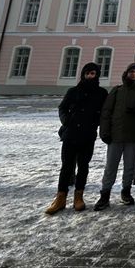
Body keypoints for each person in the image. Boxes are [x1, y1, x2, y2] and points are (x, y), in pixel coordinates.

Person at [45, 62, 108, 215]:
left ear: (97, 75)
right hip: (70, 134)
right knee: (66, 167)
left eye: (93, 73)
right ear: (83, 74)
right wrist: (66, 121)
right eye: (87, 73)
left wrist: (95, 122)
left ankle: (78, 197)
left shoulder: (101, 93)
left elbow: (105, 112)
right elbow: (62, 108)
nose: (90, 76)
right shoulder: (73, 91)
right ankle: (60, 198)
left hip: (88, 135)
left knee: (83, 166)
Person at [93, 64, 135, 211]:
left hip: (133, 134)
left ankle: (126, 191)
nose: (134, 74)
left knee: (129, 166)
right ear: (126, 73)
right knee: (110, 166)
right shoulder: (117, 90)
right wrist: (104, 131)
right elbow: (106, 111)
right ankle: (105, 194)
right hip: (115, 134)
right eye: (131, 72)